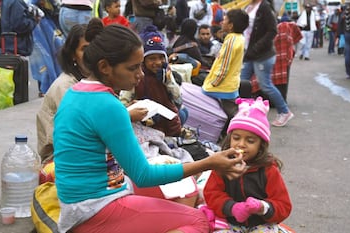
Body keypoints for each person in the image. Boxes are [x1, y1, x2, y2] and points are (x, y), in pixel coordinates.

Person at [53, 24, 247, 233]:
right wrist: (209, 163)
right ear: (104, 67)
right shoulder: (108, 105)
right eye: (133, 67)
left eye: (140, 66)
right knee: (197, 221)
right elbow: (143, 175)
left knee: (177, 194)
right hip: (93, 209)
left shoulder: (76, 93)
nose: (140, 74)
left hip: (76, 205)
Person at [203, 97, 292, 232]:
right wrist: (232, 208)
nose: (241, 144)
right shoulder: (223, 165)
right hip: (230, 222)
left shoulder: (269, 170)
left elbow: (283, 205)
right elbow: (211, 194)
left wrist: (262, 207)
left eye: (250, 141)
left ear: (261, 145)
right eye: (236, 138)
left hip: (261, 224)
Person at [37, 18, 103, 164]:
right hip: (62, 159)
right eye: (84, 49)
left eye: (95, 48)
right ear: (73, 54)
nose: (91, 54)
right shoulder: (65, 86)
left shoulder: (94, 79)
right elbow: (80, 130)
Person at [120, 25, 186, 136]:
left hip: (168, 118)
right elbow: (124, 100)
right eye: (152, 58)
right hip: (145, 120)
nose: (158, 62)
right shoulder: (137, 75)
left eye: (161, 58)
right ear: (143, 60)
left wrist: (168, 81)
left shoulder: (166, 73)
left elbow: (177, 97)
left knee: (183, 114)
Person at [240, 0, 294, 127]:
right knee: (242, 83)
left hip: (262, 55)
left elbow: (272, 31)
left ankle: (284, 111)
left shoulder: (264, 7)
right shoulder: (249, 6)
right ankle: (244, 111)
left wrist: (257, 47)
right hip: (249, 54)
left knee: (265, 85)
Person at [202, 9, 249, 123]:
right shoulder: (238, 38)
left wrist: (213, 83)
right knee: (231, 114)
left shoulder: (231, 41)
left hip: (223, 86)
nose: (222, 22)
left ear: (231, 25)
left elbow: (224, 66)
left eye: (225, 20)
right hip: (229, 84)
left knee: (234, 116)